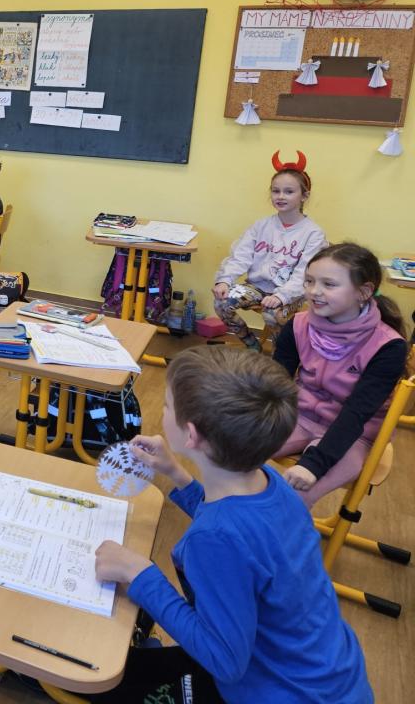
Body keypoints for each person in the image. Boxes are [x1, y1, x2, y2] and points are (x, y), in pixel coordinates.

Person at [92, 346, 372, 704]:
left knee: (100, 682)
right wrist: (177, 474)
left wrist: (140, 574)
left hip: (282, 692)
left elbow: (225, 662)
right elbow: (240, 528)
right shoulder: (272, 481)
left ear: (191, 435)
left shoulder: (214, 540)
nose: (162, 411)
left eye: (166, 405)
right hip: (328, 676)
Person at [272, 243, 407, 507]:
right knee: (231, 457)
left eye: (329, 284)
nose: (314, 291)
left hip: (355, 434)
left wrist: (314, 464)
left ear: (363, 292)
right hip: (298, 416)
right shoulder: (298, 325)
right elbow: (273, 383)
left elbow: (357, 413)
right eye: (309, 281)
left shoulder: (389, 346)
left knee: (295, 497)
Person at [212, 153, 325, 348]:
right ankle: (251, 345)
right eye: (275, 191)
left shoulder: (313, 233)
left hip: (292, 293)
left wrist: (281, 296)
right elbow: (241, 256)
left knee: (272, 314)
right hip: (257, 287)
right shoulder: (261, 226)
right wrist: (225, 280)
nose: (280, 196)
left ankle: (281, 354)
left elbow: (305, 273)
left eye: (289, 191)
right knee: (222, 302)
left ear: (304, 196)